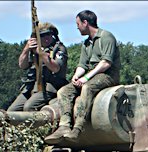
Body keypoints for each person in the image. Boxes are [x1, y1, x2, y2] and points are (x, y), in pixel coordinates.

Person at [45, 10, 120, 144]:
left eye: (78, 24)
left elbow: (106, 63)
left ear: (85, 23)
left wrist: (85, 79)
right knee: (64, 91)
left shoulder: (106, 37)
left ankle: (79, 128)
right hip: (91, 76)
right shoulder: (86, 44)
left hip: (108, 76)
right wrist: (76, 76)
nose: (77, 27)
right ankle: (64, 126)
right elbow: (82, 65)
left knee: (87, 88)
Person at [7, 22, 68, 112]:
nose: (46, 38)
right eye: (42, 36)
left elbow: (56, 68)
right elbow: (22, 65)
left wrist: (41, 53)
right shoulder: (33, 49)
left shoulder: (58, 48)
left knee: (29, 107)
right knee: (12, 111)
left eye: (49, 35)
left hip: (50, 87)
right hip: (31, 86)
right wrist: (26, 49)